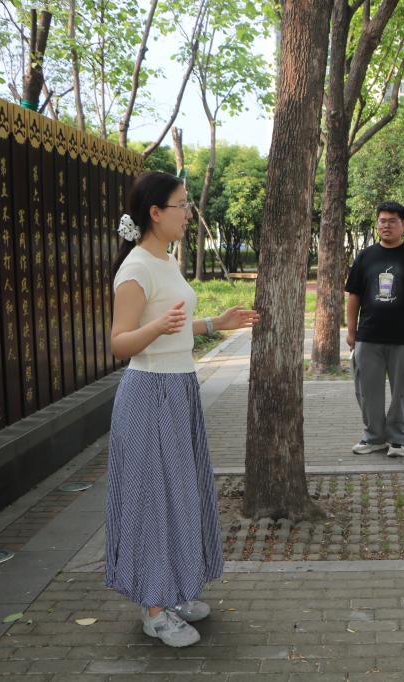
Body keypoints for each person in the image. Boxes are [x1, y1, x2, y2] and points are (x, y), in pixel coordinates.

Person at [106, 171, 259, 648]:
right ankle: (154, 609)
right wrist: (157, 329)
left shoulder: (166, 260)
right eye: (182, 205)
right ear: (156, 213)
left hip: (178, 389)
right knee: (153, 499)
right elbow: (119, 343)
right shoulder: (135, 269)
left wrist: (215, 322)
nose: (189, 214)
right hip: (149, 393)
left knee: (179, 495)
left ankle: (171, 591)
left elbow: (173, 322)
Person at [345, 201, 404, 459]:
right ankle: (374, 437)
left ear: (403, 224)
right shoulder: (365, 257)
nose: (386, 225)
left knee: (402, 392)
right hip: (368, 336)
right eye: (382, 221)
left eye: (392, 221)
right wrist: (351, 331)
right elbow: (354, 295)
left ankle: (398, 439)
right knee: (367, 390)